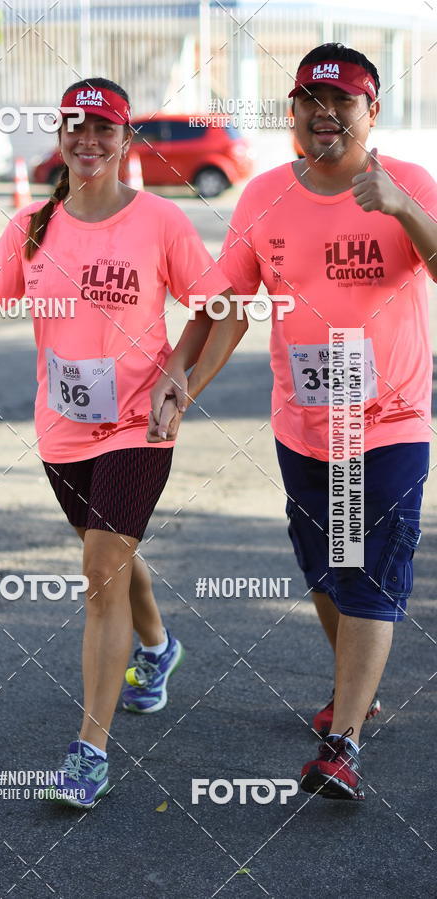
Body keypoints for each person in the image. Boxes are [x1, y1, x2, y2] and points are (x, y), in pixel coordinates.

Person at [0, 77, 247, 808]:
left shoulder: (160, 222)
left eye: (104, 128)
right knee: (108, 552)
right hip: (62, 430)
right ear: (59, 136)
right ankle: (159, 648)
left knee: (99, 566)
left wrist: (181, 378)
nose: (89, 139)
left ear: (126, 139)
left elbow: (224, 309)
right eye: (75, 126)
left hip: (138, 424)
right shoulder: (31, 225)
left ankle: (90, 751)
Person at [218, 43, 437, 799]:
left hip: (390, 420)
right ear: (293, 112)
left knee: (369, 572)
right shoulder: (263, 196)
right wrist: (183, 376)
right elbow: (229, 304)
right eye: (311, 100)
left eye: (343, 101)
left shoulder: (409, 183)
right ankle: (356, 694)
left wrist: (403, 209)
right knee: (327, 570)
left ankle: (342, 743)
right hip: (304, 425)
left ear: (372, 111)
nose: (326, 114)